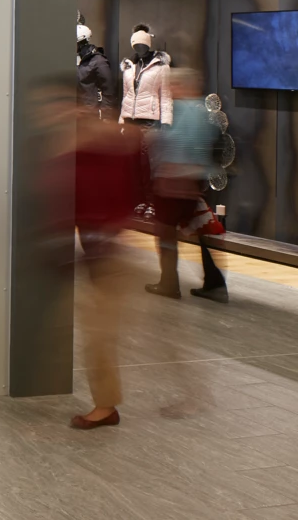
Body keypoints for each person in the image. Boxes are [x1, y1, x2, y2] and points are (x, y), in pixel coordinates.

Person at [69, 107, 144, 430]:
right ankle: (105, 403)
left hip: (108, 256)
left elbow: (112, 202)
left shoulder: (95, 153)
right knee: (97, 334)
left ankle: (105, 406)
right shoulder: (89, 153)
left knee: (99, 335)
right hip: (99, 253)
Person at [146, 68, 221, 300]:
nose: (170, 90)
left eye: (173, 85)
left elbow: (178, 142)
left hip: (173, 181)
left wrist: (153, 139)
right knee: (201, 232)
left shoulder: (183, 110)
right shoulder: (203, 111)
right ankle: (214, 283)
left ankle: (169, 283)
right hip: (193, 181)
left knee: (166, 232)